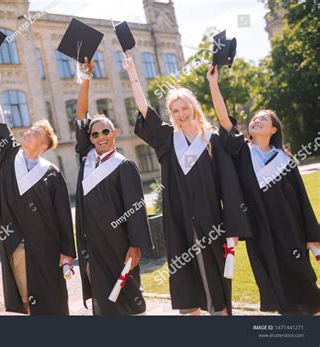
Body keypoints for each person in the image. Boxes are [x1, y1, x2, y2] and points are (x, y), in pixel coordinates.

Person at [123, 53, 251, 315]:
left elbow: (228, 184)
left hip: (211, 217)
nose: (181, 114)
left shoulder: (212, 140)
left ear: (194, 107)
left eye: (185, 108)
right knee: (185, 275)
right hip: (179, 217)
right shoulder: (168, 140)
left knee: (216, 276)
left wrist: (233, 225)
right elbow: (145, 111)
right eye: (175, 110)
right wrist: (132, 74)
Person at [207, 64, 320, 315]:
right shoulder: (242, 153)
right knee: (277, 287)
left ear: (274, 129)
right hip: (260, 231)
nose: (256, 120)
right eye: (255, 118)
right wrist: (214, 84)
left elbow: (303, 201)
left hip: (290, 230)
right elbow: (224, 121)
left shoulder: (285, 160)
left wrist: (312, 235)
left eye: (264, 119)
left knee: (304, 285)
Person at [0, 54, 76, 315]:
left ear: (44, 146)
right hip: (17, 246)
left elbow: (63, 218)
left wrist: (67, 252)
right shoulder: (8, 157)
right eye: (30, 129)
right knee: (26, 302)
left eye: (36, 133)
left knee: (53, 302)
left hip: (47, 248)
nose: (28, 132)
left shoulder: (52, 174)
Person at [74, 58, 153, 316]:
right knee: (104, 306)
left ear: (114, 132)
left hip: (120, 247)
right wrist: (85, 77)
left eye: (105, 132)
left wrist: (136, 246)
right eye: (95, 134)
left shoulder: (124, 166)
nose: (100, 137)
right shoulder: (86, 158)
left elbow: (137, 209)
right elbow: (81, 114)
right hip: (94, 247)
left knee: (127, 304)